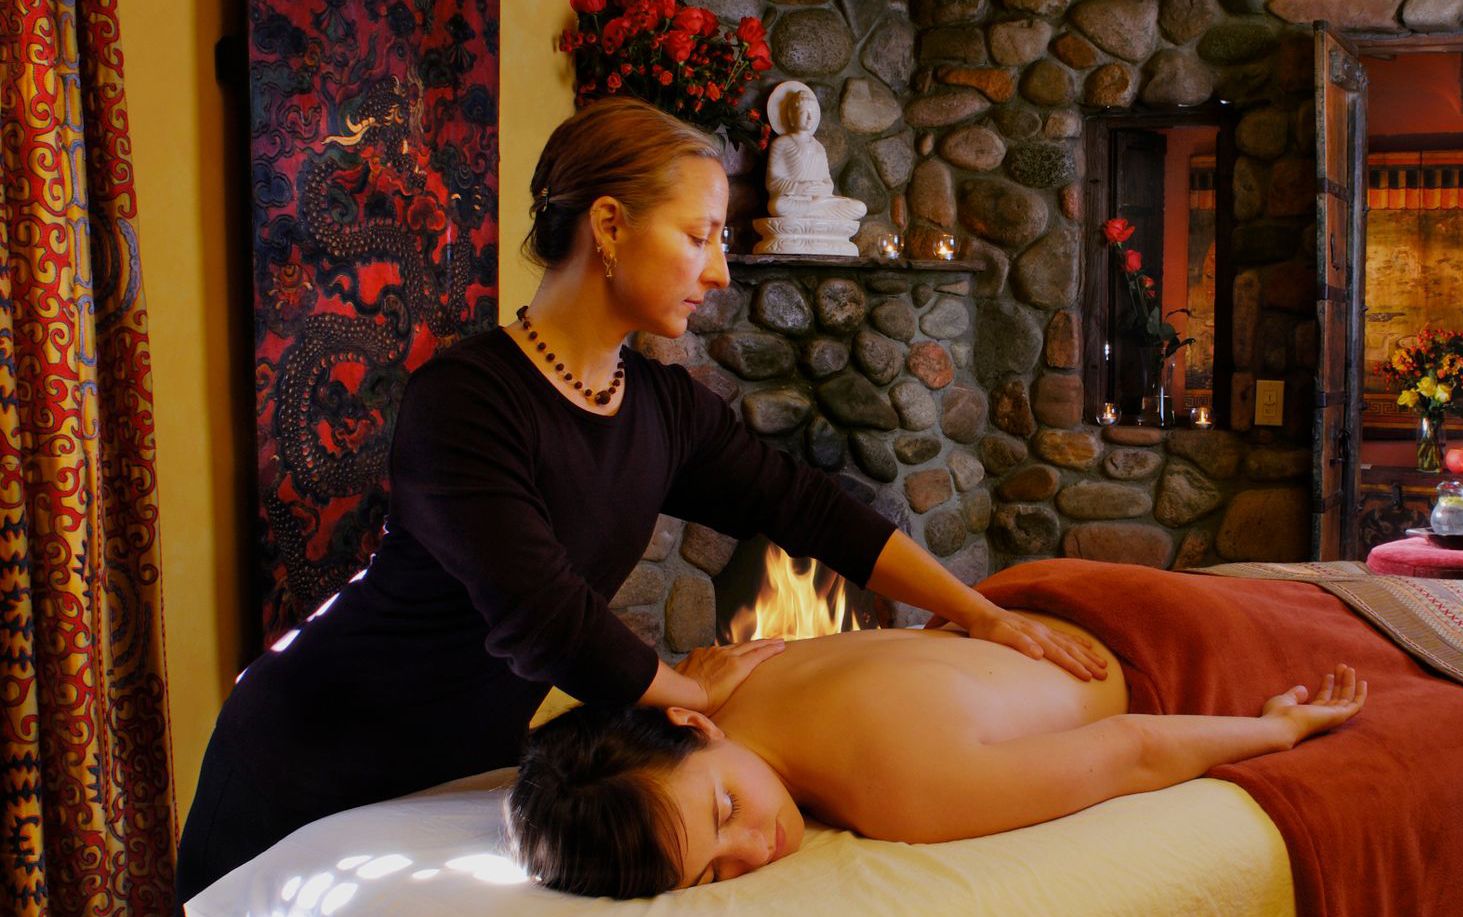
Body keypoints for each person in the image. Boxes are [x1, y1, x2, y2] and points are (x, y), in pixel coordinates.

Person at [175, 97, 1105, 902]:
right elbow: (545, 620)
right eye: (700, 237)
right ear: (611, 226)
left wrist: (978, 611)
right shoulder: (466, 399)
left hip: (459, 765)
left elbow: (809, 506)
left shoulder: (659, 406)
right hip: (311, 747)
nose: (720, 272)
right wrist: (690, 692)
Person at [506, 592, 1369, 898]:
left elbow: (1131, 747)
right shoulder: (724, 679)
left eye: (725, 809)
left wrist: (1274, 729)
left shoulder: (898, 789)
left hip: (1148, 646)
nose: (755, 848)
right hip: (1027, 601)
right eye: (712, 874)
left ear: (692, 728)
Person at [763, 82, 865, 220]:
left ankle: (812, 210)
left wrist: (823, 189)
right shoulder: (781, 143)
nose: (810, 118)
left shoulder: (819, 147)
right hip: (795, 199)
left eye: (813, 113)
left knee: (859, 207)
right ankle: (816, 210)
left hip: (820, 199)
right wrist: (800, 188)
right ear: (791, 116)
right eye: (804, 113)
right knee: (777, 206)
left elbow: (827, 181)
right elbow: (772, 183)